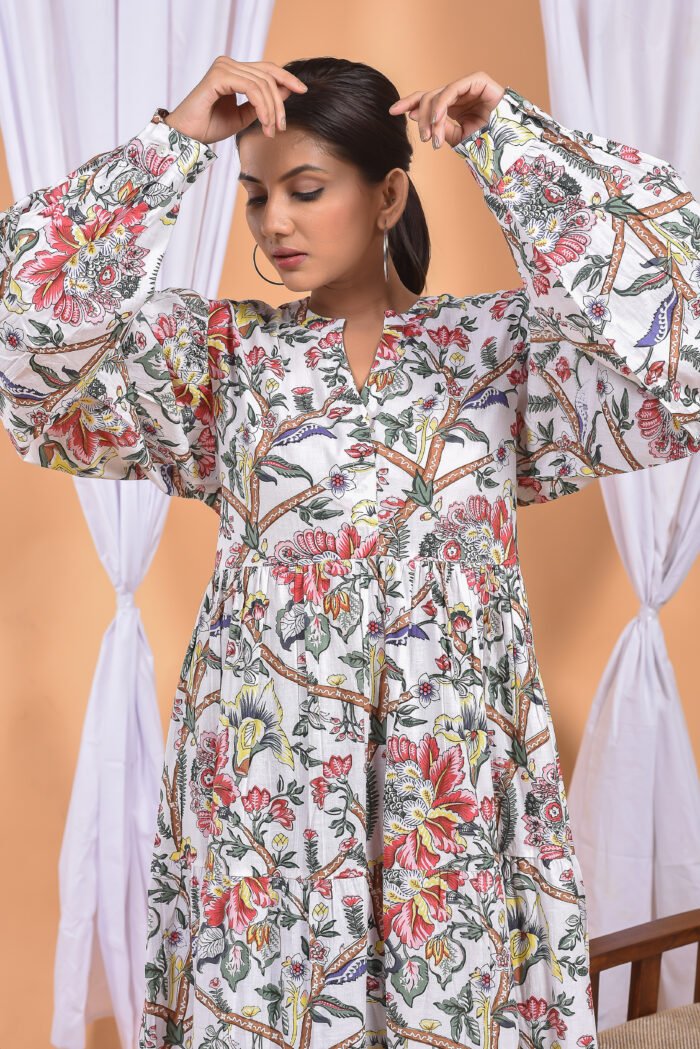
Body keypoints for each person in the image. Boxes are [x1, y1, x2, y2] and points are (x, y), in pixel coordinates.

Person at [1, 55, 699, 1049]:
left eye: (304, 189)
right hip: (266, 787)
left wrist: (513, 141)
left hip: (446, 782)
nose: (272, 223)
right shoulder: (214, 361)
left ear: (388, 194)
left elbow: (683, 337)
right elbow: (24, 339)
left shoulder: (501, 353)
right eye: (253, 196)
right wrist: (170, 145)